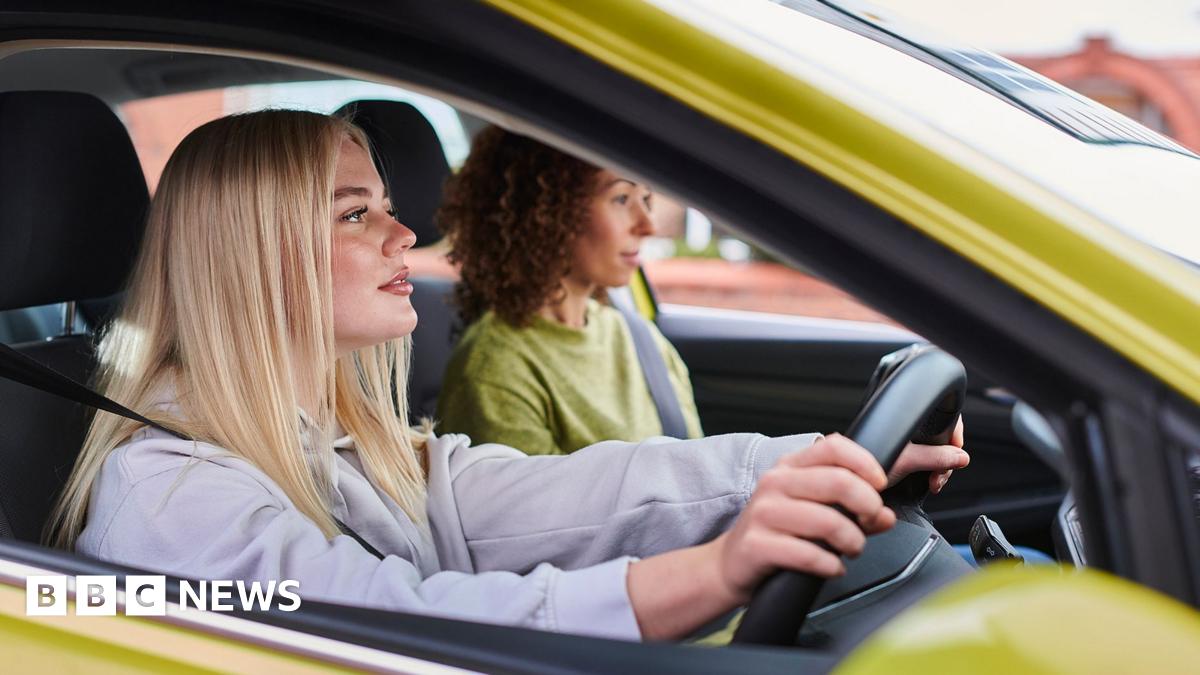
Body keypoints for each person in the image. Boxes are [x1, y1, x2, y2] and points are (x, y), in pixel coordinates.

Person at [46, 110, 968, 641]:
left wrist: (812, 460)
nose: (405, 237)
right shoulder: (168, 497)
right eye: (354, 214)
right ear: (253, 252)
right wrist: (714, 573)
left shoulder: (343, 438)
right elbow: (387, 623)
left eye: (391, 208)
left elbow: (562, 493)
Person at [435, 126, 702, 455]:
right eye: (621, 198)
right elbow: (535, 506)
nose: (648, 225)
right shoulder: (495, 369)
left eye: (645, 199)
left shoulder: (640, 339)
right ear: (547, 212)